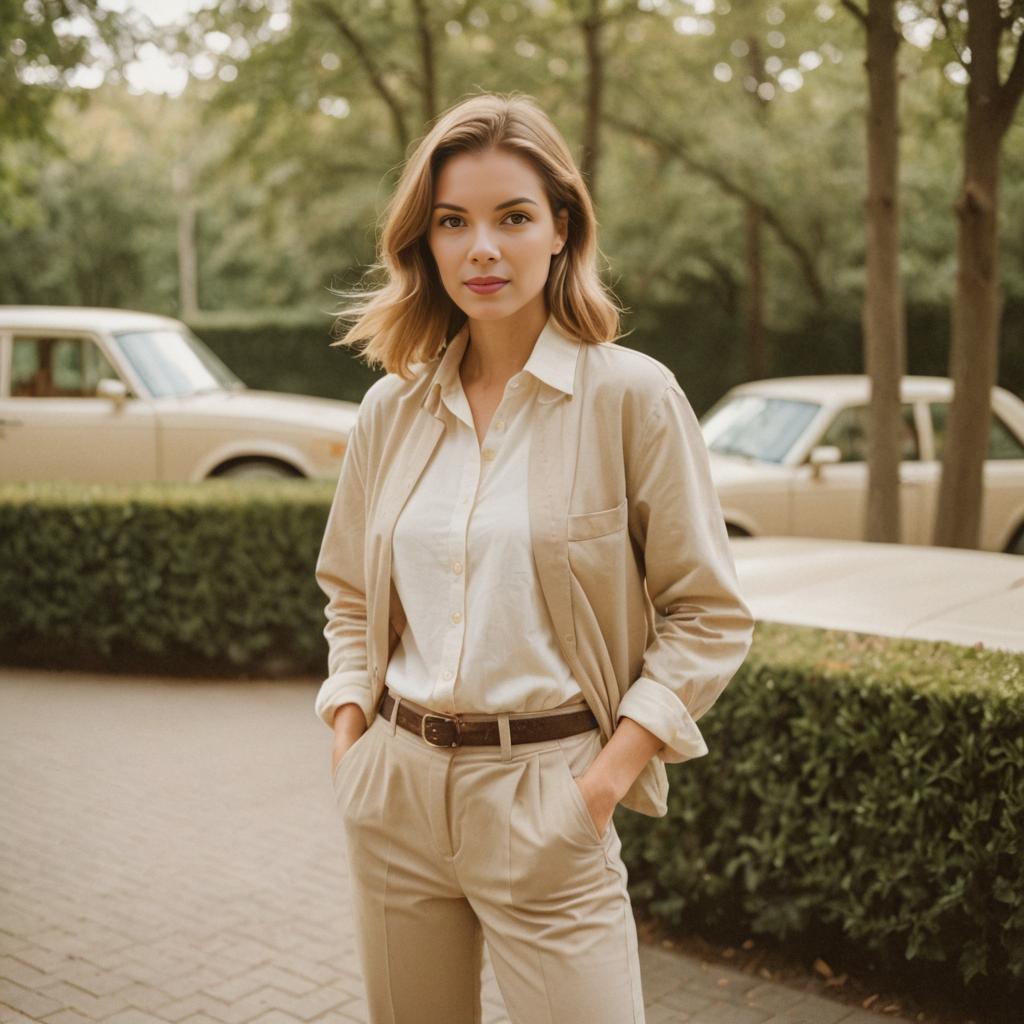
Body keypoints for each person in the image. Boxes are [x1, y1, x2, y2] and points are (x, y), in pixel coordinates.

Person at [313, 91, 755, 1024]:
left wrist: (601, 783)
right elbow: (351, 594)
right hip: (395, 787)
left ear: (561, 227)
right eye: (452, 222)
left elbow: (708, 614)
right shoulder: (391, 412)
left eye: (513, 217)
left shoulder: (631, 398)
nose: (483, 248)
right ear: (424, 243)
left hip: (547, 792)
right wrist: (353, 731)